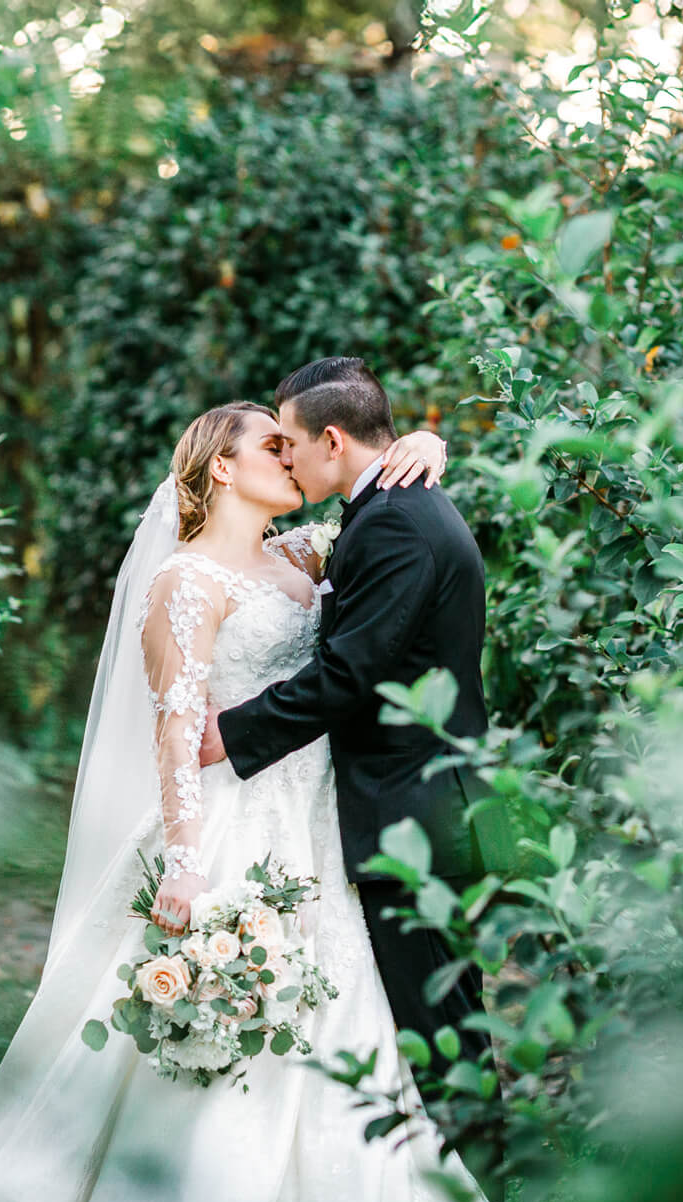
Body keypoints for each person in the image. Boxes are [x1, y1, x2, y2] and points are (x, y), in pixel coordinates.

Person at [0, 397, 519, 1202]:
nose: (290, 457)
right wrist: (184, 862)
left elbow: (380, 502)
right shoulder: (183, 583)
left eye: (293, 444)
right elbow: (176, 736)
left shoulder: (304, 554)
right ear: (223, 466)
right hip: (232, 820)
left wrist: (425, 442)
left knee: (341, 1012)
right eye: (271, 445)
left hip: (321, 824)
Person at [197, 356, 494, 1075]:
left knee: (445, 1035)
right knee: (437, 1026)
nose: (286, 461)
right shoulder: (385, 509)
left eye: (290, 444)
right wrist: (422, 439)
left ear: (332, 440)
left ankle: (475, 1154)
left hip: (417, 815)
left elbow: (348, 674)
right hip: (415, 809)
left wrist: (229, 732)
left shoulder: (394, 522)